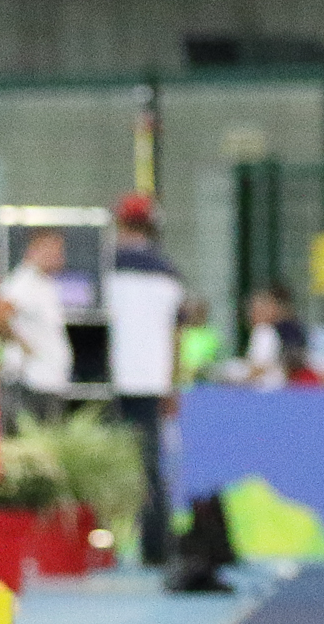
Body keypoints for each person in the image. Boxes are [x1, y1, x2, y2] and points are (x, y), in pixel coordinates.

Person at [106, 193, 183, 567]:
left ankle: (98, 545)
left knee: (100, 463)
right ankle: (155, 549)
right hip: (151, 381)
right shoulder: (169, 274)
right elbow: (176, 335)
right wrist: (173, 383)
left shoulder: (104, 267)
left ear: (120, 224)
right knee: (150, 467)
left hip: (107, 379)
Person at [0, 228, 72, 426]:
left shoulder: (44, 282)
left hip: (47, 380)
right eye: (53, 251)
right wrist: (23, 345)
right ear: (34, 250)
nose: (59, 257)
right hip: (32, 383)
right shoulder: (25, 282)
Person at [178, 298, 222, 387]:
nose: (196, 315)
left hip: (204, 380)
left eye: (200, 312)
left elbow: (216, 360)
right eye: (194, 312)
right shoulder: (181, 333)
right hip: (181, 380)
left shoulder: (212, 336)